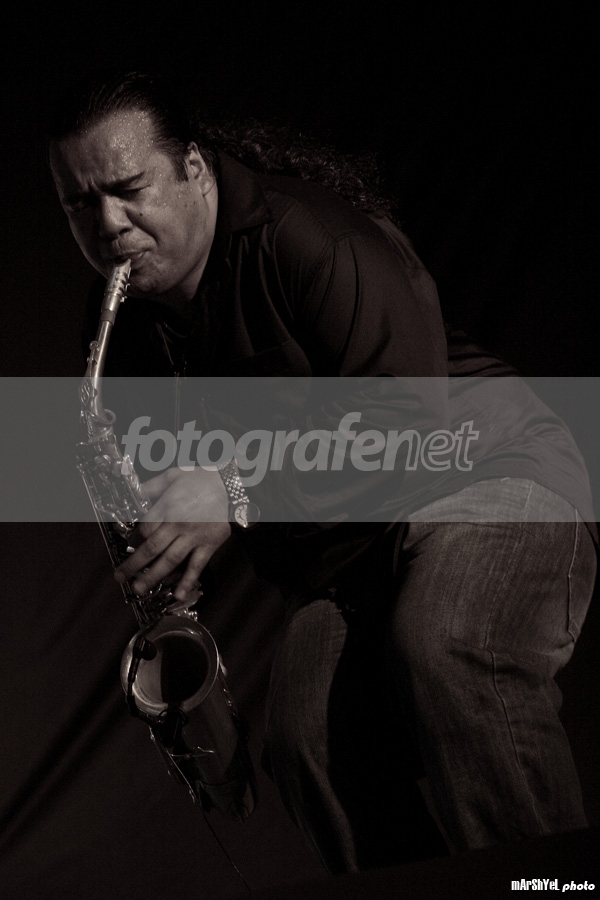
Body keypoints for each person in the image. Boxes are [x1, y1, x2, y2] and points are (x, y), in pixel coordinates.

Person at [48, 70, 597, 874]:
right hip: (352, 549)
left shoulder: (310, 237)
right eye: (79, 204)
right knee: (301, 738)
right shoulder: (122, 337)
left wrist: (237, 490)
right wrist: (172, 577)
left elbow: (410, 424)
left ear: (193, 167)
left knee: (447, 647)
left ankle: (554, 884)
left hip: (489, 471)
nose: (107, 225)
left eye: (129, 190)